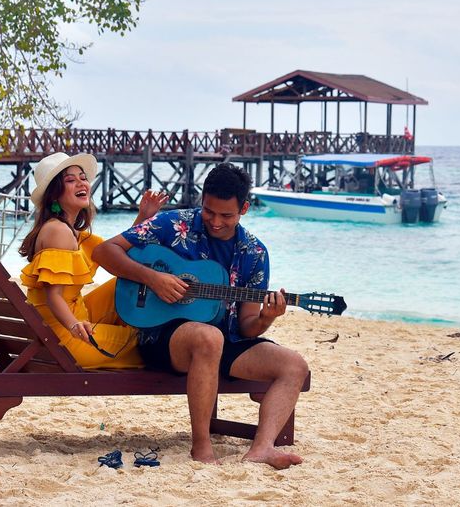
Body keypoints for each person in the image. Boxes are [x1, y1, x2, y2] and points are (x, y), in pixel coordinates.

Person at [92, 162, 309, 469]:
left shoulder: (254, 253)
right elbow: (103, 251)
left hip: (226, 341)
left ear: (244, 208)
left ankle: (262, 448)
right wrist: (152, 278)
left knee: (294, 365)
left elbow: (246, 327)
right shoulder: (172, 224)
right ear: (202, 199)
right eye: (209, 211)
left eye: (226, 215)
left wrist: (266, 318)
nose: (216, 221)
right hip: (162, 335)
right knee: (209, 337)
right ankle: (202, 446)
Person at [18, 151, 167, 369]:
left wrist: (143, 216)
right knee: (145, 341)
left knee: (125, 284)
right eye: (70, 180)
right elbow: (53, 296)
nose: (81, 183)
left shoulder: (68, 230)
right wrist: (74, 326)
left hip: (63, 323)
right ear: (54, 195)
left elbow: (115, 253)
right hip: (64, 339)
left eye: (83, 177)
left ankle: (139, 324)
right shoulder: (58, 232)